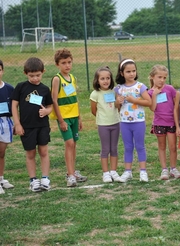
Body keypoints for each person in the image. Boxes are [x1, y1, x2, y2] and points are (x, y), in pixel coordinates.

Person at [11, 57, 53, 192]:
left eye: (38, 75)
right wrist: (17, 124)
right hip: (27, 127)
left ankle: (45, 178)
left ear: (43, 72)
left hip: (42, 126)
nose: (35, 78)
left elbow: (50, 106)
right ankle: (33, 180)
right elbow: (14, 105)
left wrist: (46, 111)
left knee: (44, 151)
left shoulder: (45, 89)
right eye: (31, 76)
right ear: (25, 74)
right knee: (30, 153)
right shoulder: (20, 87)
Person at [50, 48, 87, 187]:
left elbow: (75, 99)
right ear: (57, 65)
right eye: (64, 63)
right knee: (69, 144)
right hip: (64, 118)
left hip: (74, 117)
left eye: (69, 62)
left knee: (74, 144)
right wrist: (61, 120)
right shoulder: (56, 79)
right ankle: (70, 176)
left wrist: (80, 118)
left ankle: (72, 172)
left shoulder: (72, 78)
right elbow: (54, 100)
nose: (67, 65)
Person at [114, 59, 152, 182]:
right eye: (128, 71)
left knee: (140, 146)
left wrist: (134, 100)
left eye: (133, 71)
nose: (131, 74)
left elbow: (148, 102)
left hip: (138, 121)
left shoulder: (140, 87)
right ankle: (127, 171)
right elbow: (117, 106)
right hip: (124, 122)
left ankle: (143, 172)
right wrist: (117, 102)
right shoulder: (118, 89)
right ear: (122, 73)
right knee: (128, 147)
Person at [148, 65, 180, 180]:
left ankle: (173, 168)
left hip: (171, 123)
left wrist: (178, 124)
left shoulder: (170, 89)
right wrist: (154, 95)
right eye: (159, 77)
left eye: (164, 77)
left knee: (173, 147)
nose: (162, 80)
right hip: (159, 123)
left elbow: (176, 106)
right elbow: (152, 108)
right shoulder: (150, 92)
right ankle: (164, 170)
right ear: (152, 77)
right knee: (162, 146)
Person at [90, 66, 122, 183]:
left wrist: (118, 102)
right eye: (102, 78)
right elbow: (93, 110)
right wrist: (102, 118)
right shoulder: (95, 94)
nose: (105, 81)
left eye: (108, 78)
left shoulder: (114, 92)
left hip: (115, 123)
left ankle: (113, 171)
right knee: (105, 149)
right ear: (97, 80)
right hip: (103, 125)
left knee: (114, 148)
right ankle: (106, 173)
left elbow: (118, 107)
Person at [0, 60, 15, 194]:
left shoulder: (9, 88)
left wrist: (16, 122)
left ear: (2, 71)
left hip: (5, 122)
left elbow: (15, 107)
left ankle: (1, 178)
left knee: (2, 152)